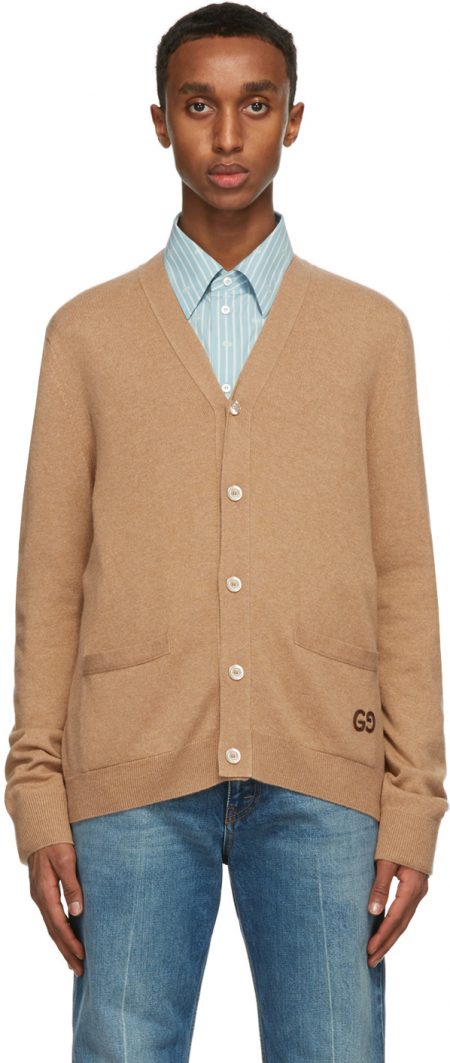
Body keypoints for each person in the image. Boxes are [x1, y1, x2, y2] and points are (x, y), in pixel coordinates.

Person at [4, 3, 448, 1060]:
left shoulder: (370, 334)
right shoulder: (86, 335)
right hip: (131, 778)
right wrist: (36, 792)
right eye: (199, 106)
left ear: (294, 119)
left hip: (325, 774)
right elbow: (49, 578)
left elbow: (403, 573)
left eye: (256, 104)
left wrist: (415, 799)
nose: (229, 135)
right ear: (161, 122)